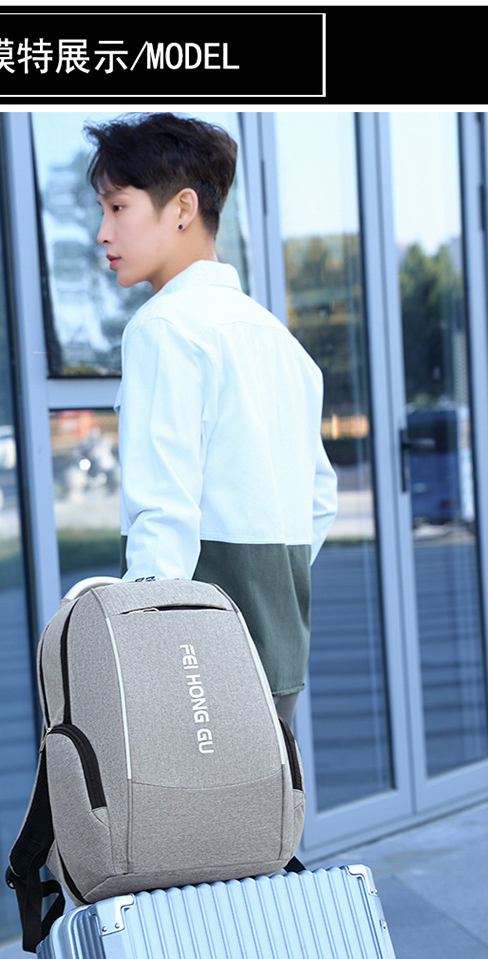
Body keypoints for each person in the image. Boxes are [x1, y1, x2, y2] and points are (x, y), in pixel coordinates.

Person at [85, 112, 338, 731]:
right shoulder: (281, 344)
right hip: (278, 653)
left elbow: (163, 511)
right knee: (269, 796)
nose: (102, 232)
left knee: (167, 797)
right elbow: (320, 499)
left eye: (117, 208)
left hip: (195, 662)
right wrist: (270, 584)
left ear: (182, 208)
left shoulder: (163, 328)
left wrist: (144, 650)